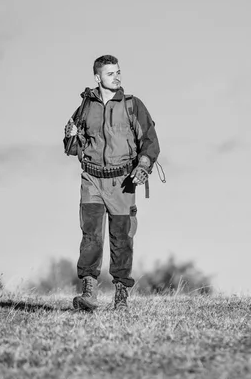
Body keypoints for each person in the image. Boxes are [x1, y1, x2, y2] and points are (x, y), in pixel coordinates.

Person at [63, 54, 160, 311]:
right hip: (92, 180)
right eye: (110, 73)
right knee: (91, 236)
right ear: (98, 78)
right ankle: (89, 292)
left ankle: (121, 295)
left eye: (118, 72)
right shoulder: (85, 106)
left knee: (122, 239)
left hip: (123, 182)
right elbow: (74, 148)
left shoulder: (132, 105)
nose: (117, 77)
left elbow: (150, 141)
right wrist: (70, 137)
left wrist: (143, 166)